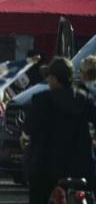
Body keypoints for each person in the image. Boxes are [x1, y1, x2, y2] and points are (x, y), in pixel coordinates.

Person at [24, 57, 96, 204]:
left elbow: (29, 127)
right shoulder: (85, 99)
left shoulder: (41, 100)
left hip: (44, 168)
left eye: (49, 77)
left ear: (55, 78)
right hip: (80, 168)